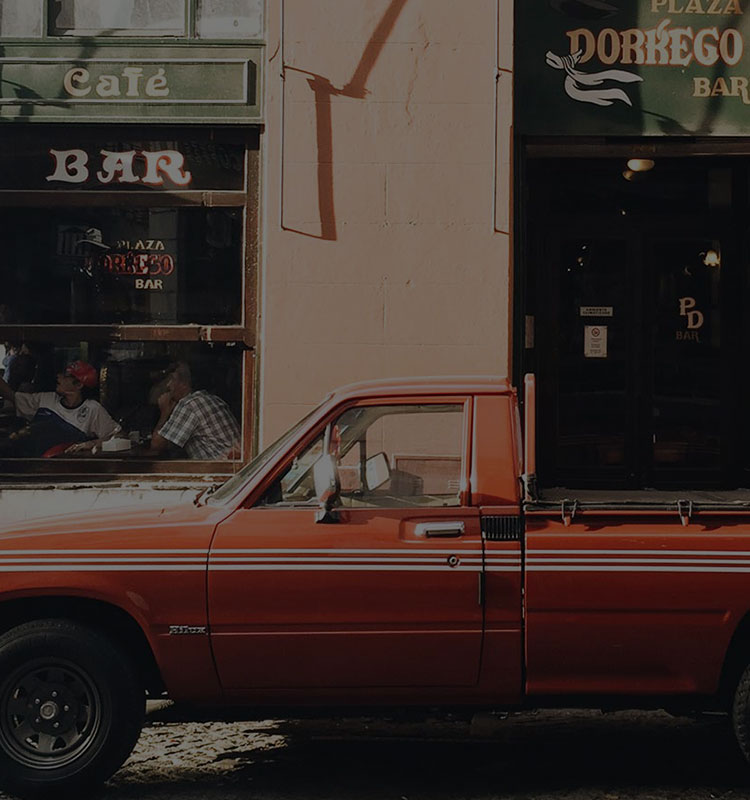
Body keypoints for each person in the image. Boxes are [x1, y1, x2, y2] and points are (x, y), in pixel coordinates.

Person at [0, 360, 120, 456]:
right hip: (29, 461)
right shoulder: (45, 399)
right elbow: (12, 396)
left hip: (60, 466)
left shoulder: (93, 409)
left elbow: (119, 435)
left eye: (66, 376)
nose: (58, 377)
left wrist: (91, 444)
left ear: (79, 385)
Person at [148, 361, 240, 460]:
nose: (168, 385)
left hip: (219, 470)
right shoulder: (211, 398)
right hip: (232, 466)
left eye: (172, 380)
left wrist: (165, 412)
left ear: (184, 384)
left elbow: (156, 445)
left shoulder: (189, 405)